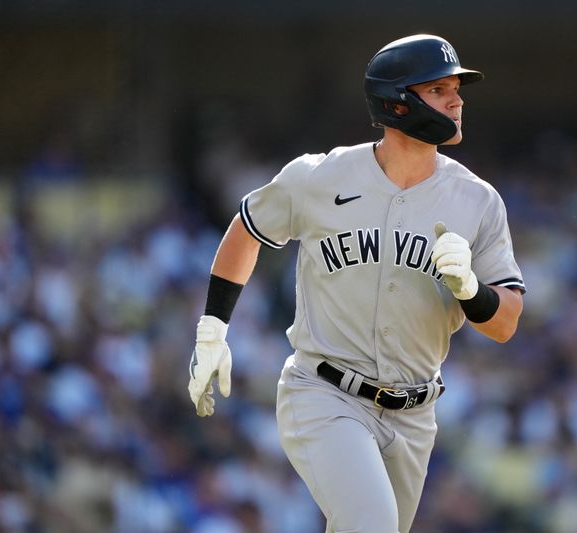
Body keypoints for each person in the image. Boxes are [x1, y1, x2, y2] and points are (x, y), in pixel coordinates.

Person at [188, 34, 526, 533]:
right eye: (438, 89)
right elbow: (249, 226)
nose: (456, 100)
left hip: (415, 414)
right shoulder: (319, 177)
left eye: (457, 87)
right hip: (324, 392)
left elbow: (506, 324)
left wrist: (471, 289)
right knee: (371, 524)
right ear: (397, 101)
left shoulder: (478, 201)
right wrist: (213, 327)